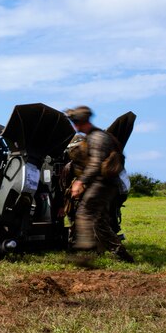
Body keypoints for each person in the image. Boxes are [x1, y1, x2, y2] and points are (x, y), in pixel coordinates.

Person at [65, 106, 134, 263]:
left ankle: (84, 255)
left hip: (104, 183)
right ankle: (122, 256)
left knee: (84, 213)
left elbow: (96, 164)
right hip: (104, 183)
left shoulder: (97, 138)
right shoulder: (95, 136)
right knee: (98, 220)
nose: (75, 126)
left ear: (81, 122)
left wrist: (81, 181)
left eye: (75, 122)